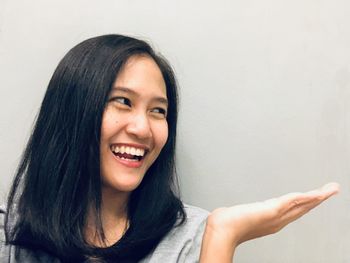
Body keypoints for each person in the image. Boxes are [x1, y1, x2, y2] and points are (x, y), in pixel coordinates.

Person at [0, 34, 339, 263]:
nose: (142, 128)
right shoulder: (9, 232)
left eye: (158, 110)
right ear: (72, 110)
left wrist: (223, 234)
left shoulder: (191, 237)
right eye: (122, 101)